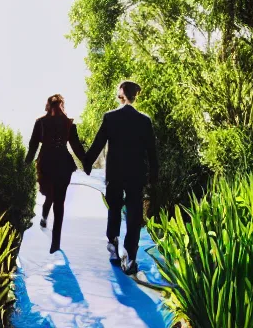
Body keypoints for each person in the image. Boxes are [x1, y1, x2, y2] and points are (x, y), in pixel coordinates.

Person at [84, 80, 158, 275]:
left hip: (115, 173)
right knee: (134, 215)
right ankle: (131, 257)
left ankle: (113, 244)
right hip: (136, 174)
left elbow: (98, 143)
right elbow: (152, 151)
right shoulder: (144, 120)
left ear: (122, 95)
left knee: (115, 208)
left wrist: (87, 163)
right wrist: (154, 175)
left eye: (118, 95)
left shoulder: (110, 117)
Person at [25, 94, 87, 254]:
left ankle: (45, 220)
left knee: (50, 196)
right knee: (59, 201)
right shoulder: (68, 124)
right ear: (62, 105)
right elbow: (76, 146)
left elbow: (33, 145)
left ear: (48, 105)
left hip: (46, 164)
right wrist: (86, 163)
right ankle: (55, 242)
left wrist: (26, 164)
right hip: (63, 165)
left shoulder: (40, 123)